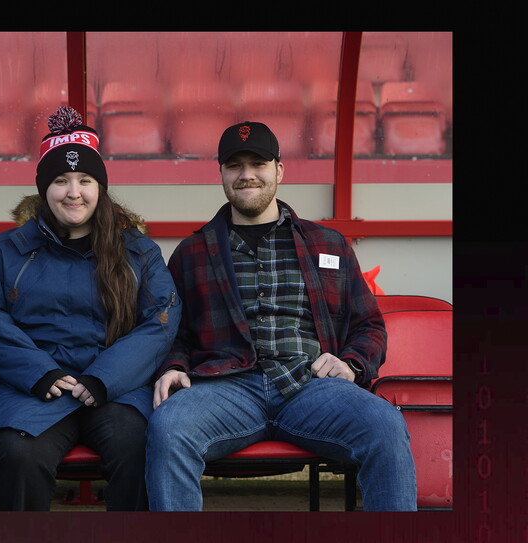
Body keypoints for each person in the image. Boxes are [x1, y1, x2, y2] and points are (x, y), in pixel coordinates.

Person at [145, 121, 417, 511]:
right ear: (221, 174)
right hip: (227, 388)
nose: (247, 175)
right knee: (168, 427)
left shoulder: (327, 244)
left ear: (279, 170)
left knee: (385, 426)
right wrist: (173, 365)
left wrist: (353, 364)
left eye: (258, 163)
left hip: (311, 384)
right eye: (235, 166)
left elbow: (368, 324)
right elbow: (177, 333)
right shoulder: (192, 253)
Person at [0, 106, 181, 511]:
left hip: (115, 390)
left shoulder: (138, 251)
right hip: (29, 389)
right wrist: (39, 372)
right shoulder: (3, 250)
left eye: (85, 180)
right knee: (19, 455)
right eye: (60, 180)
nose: (73, 192)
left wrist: (104, 378)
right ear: (44, 189)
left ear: (101, 188)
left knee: (138, 447)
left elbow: (161, 322)